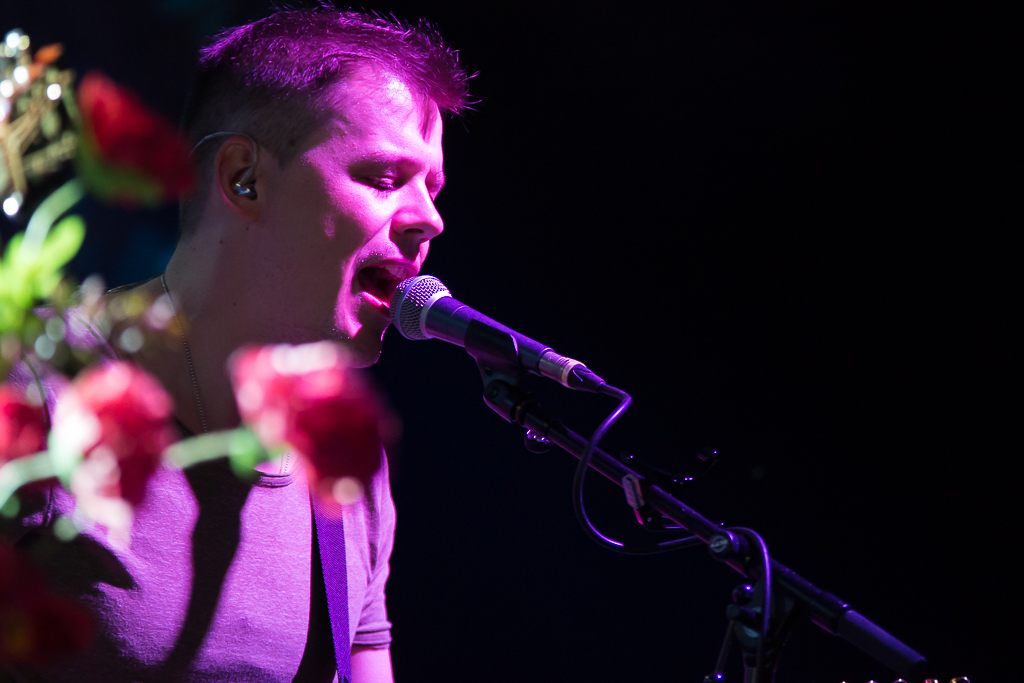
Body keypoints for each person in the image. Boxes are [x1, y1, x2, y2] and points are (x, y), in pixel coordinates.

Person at [2, 9, 469, 682]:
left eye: (433, 187)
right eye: (386, 177)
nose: (431, 218)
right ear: (243, 177)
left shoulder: (345, 464)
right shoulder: (34, 386)